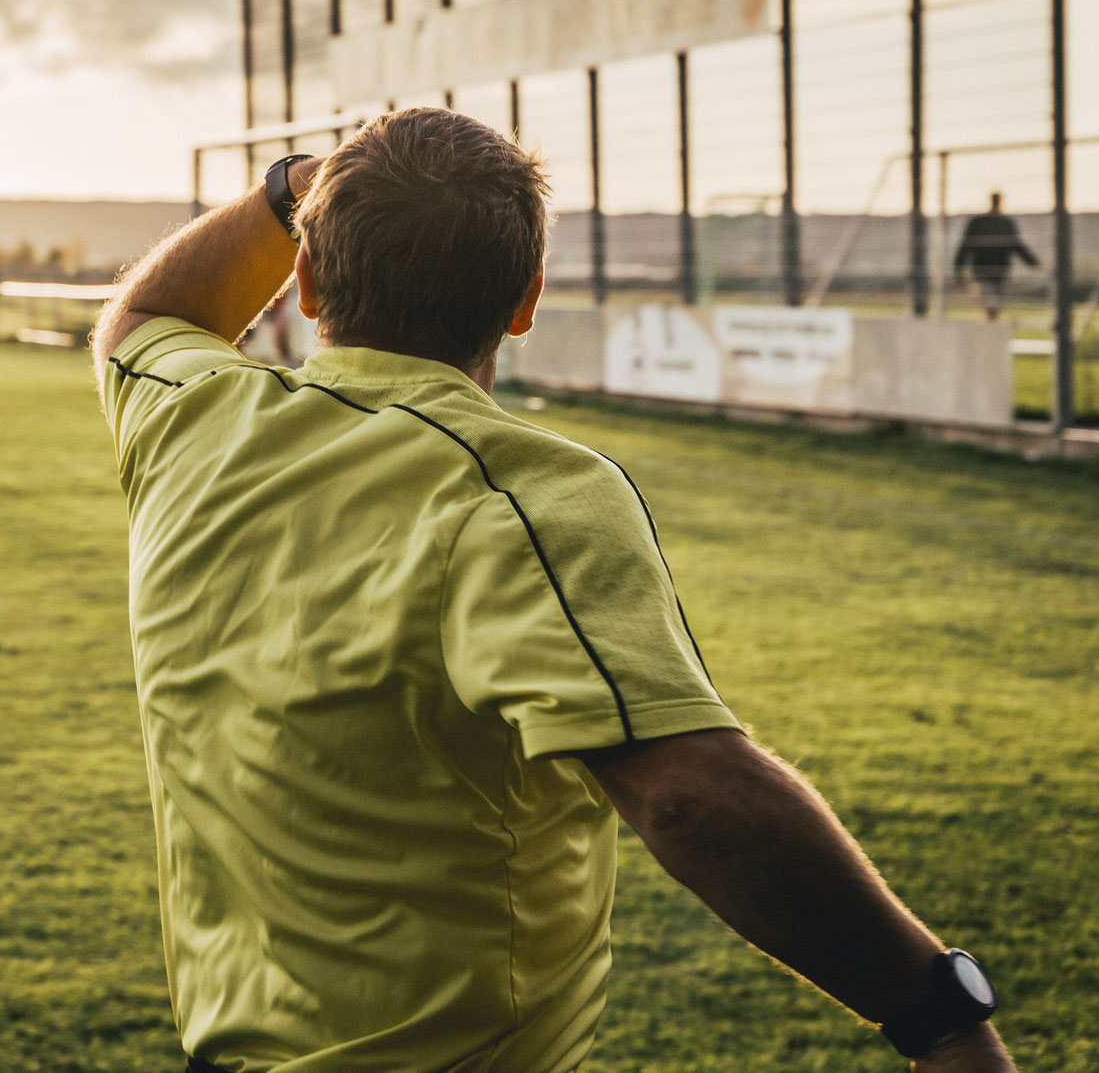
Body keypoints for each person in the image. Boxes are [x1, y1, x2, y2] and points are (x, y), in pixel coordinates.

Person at [92, 108, 1016, 1073]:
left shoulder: (189, 419)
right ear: (526, 298)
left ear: (310, 281)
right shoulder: (527, 491)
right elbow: (691, 801)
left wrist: (288, 190)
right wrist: (939, 1014)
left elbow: (145, 317)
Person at [953, 193, 1039, 320]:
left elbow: (965, 247)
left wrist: (958, 270)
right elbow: (1017, 246)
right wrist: (1031, 261)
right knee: (993, 302)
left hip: (984, 269)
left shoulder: (978, 223)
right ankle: (991, 323)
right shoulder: (1005, 223)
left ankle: (990, 324)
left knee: (991, 301)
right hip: (999, 270)